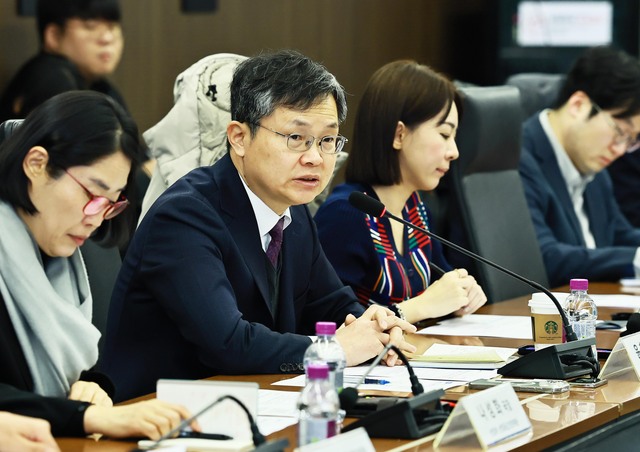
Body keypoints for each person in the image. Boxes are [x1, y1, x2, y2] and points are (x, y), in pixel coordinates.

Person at [101, 49, 417, 402]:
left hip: (251, 404)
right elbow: (228, 343)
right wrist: (335, 349)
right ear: (239, 137)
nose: (315, 157)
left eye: (327, 140)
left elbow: (331, 303)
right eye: (296, 138)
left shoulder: (294, 212)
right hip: (156, 413)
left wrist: (374, 329)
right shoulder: (184, 216)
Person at [0, 92, 199, 440]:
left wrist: (95, 386)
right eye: (92, 195)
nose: (95, 219)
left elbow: (88, 365)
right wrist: (86, 417)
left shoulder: (66, 261)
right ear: (37, 164)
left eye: (110, 203)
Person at [314, 60, 487, 323]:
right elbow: (332, 325)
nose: (454, 152)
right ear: (399, 135)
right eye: (444, 134)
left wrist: (463, 292)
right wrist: (422, 306)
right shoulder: (345, 215)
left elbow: (443, 287)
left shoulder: (415, 209)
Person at [518, 46, 640, 287]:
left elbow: (619, 235)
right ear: (578, 105)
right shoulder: (515, 159)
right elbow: (543, 257)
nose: (619, 149)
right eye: (620, 132)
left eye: (631, 140)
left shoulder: (593, 165)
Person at [0, 0, 125, 122]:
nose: (107, 38)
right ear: (54, 36)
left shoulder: (100, 85)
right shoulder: (52, 80)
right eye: (90, 26)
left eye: (112, 27)